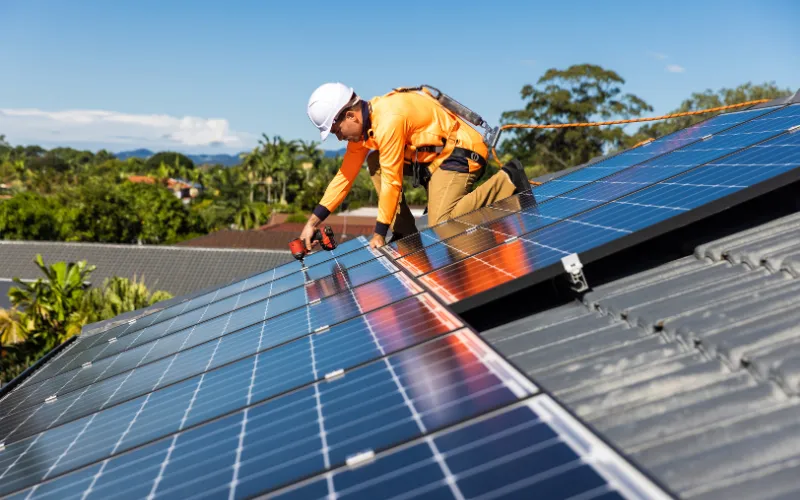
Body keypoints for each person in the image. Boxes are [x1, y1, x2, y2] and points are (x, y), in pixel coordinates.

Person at [299, 82, 530, 250]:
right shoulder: (364, 132)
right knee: (374, 160)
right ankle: (404, 232)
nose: (339, 138)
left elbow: (392, 180)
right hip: (434, 163)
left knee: (443, 222)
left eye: (337, 131)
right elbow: (344, 177)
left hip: (461, 152)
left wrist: (379, 233)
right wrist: (312, 223)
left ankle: (508, 179)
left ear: (351, 116)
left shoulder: (389, 119)